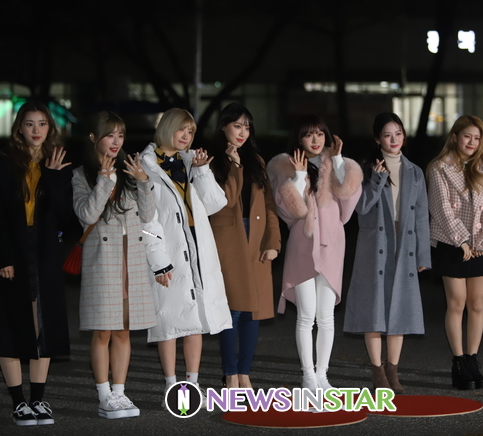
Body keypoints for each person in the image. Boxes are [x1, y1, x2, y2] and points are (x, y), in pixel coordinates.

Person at [0, 101, 72, 426]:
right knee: (8, 323)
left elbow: (65, 217)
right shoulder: (4, 161)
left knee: (42, 324)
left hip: (45, 250)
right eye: (30, 123)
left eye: (42, 124)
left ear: (50, 128)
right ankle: (18, 402)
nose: (36, 130)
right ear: (19, 127)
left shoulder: (56, 162)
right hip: (13, 248)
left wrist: (53, 177)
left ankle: (38, 399)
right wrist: (4, 257)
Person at [139, 108, 231, 402]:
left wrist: (202, 171)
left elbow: (216, 204)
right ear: (167, 127)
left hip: (197, 248)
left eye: (190, 131)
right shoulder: (145, 165)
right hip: (167, 251)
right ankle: (171, 384)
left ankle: (192, 384)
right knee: (168, 320)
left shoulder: (192, 161)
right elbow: (147, 221)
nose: (186, 136)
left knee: (196, 318)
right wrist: (159, 261)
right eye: (182, 129)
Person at [267, 114, 362, 391]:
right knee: (306, 315)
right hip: (303, 246)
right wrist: (298, 176)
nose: (315, 140)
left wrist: (339, 160)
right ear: (299, 139)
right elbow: (289, 210)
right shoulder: (284, 165)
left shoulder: (336, 165)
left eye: (320, 134)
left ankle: (322, 376)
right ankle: (308, 376)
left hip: (332, 244)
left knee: (326, 316)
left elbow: (347, 202)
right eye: (309, 135)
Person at [72, 111, 157, 419]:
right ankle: (104, 395)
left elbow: (148, 215)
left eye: (120, 135)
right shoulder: (81, 174)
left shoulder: (129, 169)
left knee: (123, 331)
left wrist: (143, 182)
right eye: (110, 135)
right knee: (103, 331)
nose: (116, 141)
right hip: (103, 259)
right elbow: (87, 215)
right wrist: (104, 180)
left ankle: (120, 393)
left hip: (131, 259)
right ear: (93, 137)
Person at [344, 113, 431, 394]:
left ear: (404, 136)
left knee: (400, 308)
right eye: (387, 135)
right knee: (374, 307)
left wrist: (423, 256)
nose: (394, 140)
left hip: (404, 242)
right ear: (377, 139)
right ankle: (377, 371)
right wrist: (378, 179)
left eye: (398, 133)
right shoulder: (366, 169)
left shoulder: (415, 172)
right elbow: (361, 208)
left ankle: (393, 371)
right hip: (375, 242)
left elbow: (421, 216)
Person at [427, 115, 483, 390]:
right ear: (455, 136)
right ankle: (458, 362)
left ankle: (472, 360)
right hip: (450, 243)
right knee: (457, 303)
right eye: (467, 136)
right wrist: (462, 241)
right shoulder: (439, 167)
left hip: (482, 246)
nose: (472, 142)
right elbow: (440, 207)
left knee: (477, 304)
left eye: (477, 137)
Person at [209, 103, 281, 389]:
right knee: (233, 309)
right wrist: (234, 166)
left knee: (255, 309)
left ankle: (244, 372)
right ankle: (230, 373)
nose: (242, 132)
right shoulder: (211, 160)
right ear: (223, 127)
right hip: (229, 240)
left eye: (247, 127)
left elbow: (269, 205)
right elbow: (226, 200)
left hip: (257, 237)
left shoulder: (257, 160)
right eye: (237, 126)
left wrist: (273, 242)